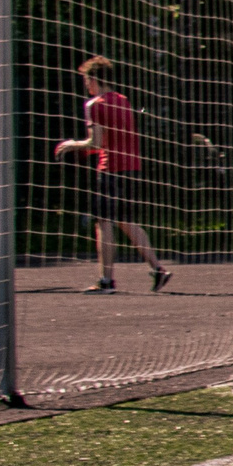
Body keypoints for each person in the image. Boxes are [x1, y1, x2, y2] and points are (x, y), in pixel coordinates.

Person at [52, 55, 170, 295]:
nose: (86, 85)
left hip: (111, 169)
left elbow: (95, 141)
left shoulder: (94, 105)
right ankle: (158, 269)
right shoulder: (123, 101)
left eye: (86, 80)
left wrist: (72, 145)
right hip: (132, 167)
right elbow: (112, 140)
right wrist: (91, 149)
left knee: (104, 223)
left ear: (94, 78)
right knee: (127, 221)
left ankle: (106, 280)